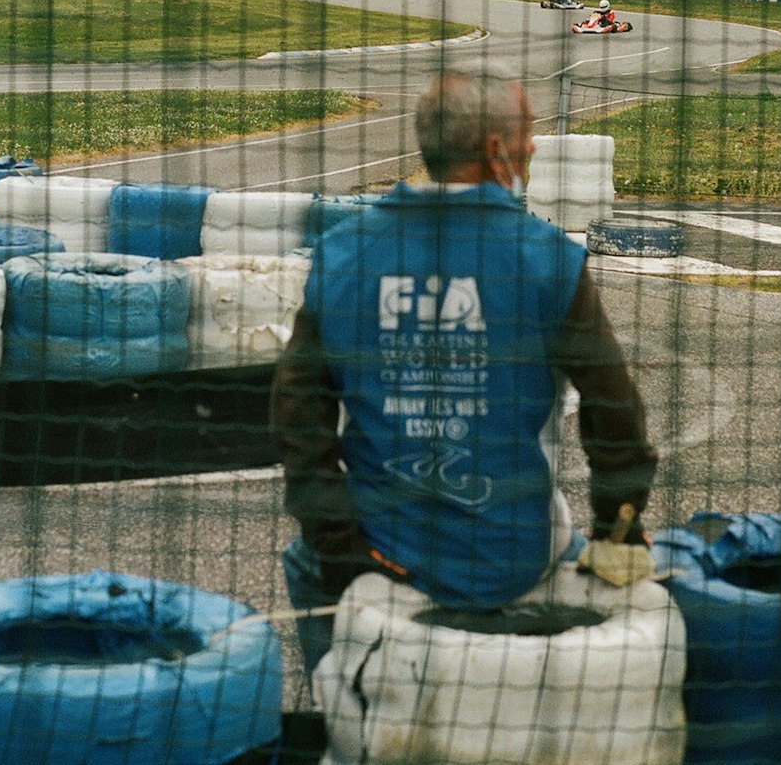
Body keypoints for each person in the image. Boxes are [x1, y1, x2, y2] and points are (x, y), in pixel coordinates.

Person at [270, 70, 657, 674]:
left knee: (303, 563)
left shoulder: (343, 250)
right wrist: (619, 524)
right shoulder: (548, 257)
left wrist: (337, 545)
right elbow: (615, 412)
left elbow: (297, 414)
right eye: (527, 135)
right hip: (513, 553)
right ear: (496, 150)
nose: (533, 147)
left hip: (381, 545)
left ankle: (338, 701)